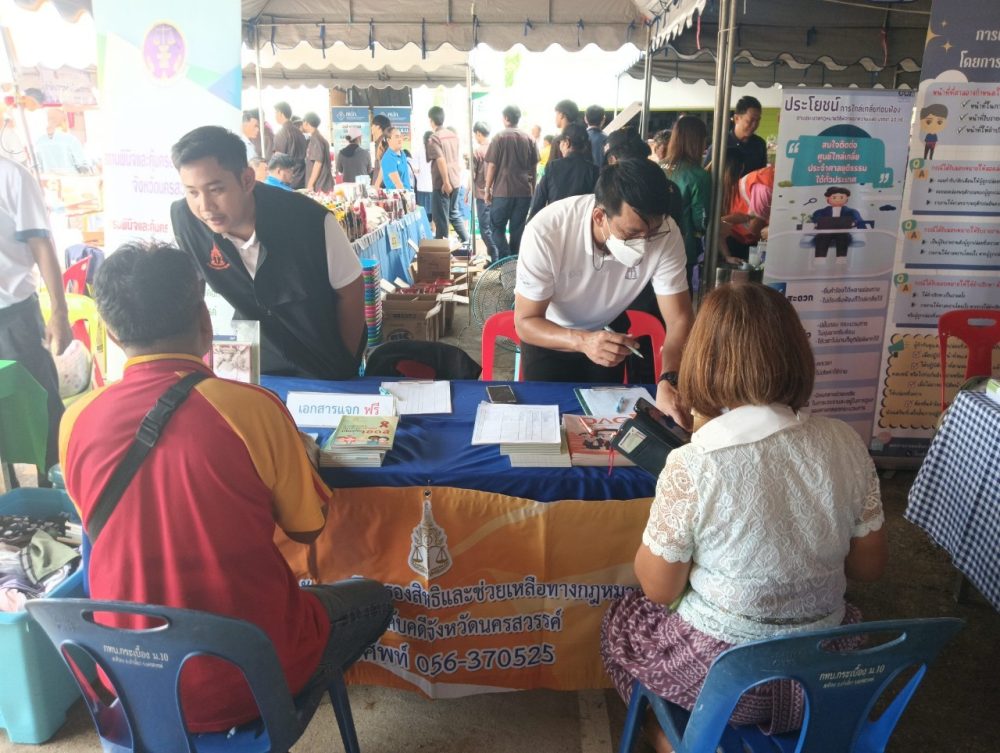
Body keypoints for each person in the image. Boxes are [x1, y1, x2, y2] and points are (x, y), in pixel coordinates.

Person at [59, 241, 392, 734]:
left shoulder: (75, 421)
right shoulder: (252, 410)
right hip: (250, 678)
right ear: (204, 319)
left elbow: (100, 524)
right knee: (373, 599)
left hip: (127, 685)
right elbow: (307, 529)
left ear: (110, 332)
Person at [601, 282, 887, 751]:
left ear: (703, 362)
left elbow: (659, 588)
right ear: (798, 356)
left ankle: (674, 739)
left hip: (727, 679)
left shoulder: (694, 462)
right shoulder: (846, 442)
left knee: (623, 623)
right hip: (827, 672)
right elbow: (868, 567)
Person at [170, 125, 364, 381]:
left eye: (216, 190)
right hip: (255, 362)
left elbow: (351, 290)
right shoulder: (187, 222)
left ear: (247, 180)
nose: (205, 206)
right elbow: (191, 295)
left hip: (320, 358)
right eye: (192, 192)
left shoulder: (311, 222)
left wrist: (345, 362)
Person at [514, 158, 694, 427]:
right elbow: (525, 322)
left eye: (652, 233)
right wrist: (583, 341)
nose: (644, 244)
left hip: (609, 332)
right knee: (548, 429)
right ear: (600, 217)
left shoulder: (666, 234)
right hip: (550, 335)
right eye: (632, 233)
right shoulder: (548, 232)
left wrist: (670, 378)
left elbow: (680, 318)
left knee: (605, 428)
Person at [0, 155, 72, 474]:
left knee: (40, 415)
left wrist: (59, 311)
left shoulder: (11, 176)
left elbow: (41, 244)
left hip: (14, 319)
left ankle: (56, 488)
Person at [662, 116, 711, 287]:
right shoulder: (698, 175)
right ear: (698, 141)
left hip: (655, 243)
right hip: (683, 244)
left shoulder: (657, 166)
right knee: (680, 291)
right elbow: (701, 218)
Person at [484, 104, 538, 258]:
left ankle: (506, 258)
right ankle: (514, 263)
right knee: (517, 230)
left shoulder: (499, 137)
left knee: (496, 227)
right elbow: (534, 168)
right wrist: (533, 189)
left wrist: (487, 189)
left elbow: (492, 166)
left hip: (502, 192)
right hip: (524, 193)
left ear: (506, 118)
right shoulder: (529, 138)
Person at [528, 122, 599, 221]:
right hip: (581, 225)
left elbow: (538, 201)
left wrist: (530, 222)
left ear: (567, 142)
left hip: (555, 223)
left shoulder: (552, 167)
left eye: (561, 142)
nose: (560, 145)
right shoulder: (594, 170)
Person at [426, 106, 469, 244]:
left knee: (441, 219)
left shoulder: (434, 138)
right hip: (455, 179)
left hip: (442, 183)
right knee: (453, 213)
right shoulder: (453, 135)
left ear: (431, 120)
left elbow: (440, 159)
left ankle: (442, 249)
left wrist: (445, 182)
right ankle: (466, 240)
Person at [712, 95, 767, 176]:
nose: (754, 125)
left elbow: (762, 175)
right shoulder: (720, 144)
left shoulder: (760, 144)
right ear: (736, 118)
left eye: (757, 120)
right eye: (750, 120)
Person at [810, 185, 866, 265]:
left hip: (843, 233)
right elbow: (814, 220)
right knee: (822, 236)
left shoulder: (852, 211)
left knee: (843, 236)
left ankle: (841, 258)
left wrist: (854, 223)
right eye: (834, 197)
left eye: (841, 197)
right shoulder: (820, 212)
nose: (838, 200)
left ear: (847, 199)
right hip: (825, 233)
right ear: (828, 199)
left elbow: (859, 221)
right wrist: (816, 223)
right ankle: (820, 259)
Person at [471, 122, 498, 261]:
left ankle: (495, 256)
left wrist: (468, 191)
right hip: (497, 194)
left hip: (482, 194)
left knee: (484, 228)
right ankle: (496, 256)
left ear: (478, 133)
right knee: (494, 227)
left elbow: (473, 174)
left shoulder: (477, 151)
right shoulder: (496, 148)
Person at [33, 108, 90, 174]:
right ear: (63, 119)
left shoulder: (39, 142)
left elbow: (37, 167)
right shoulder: (70, 139)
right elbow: (82, 166)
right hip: (71, 178)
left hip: (49, 179)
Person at [272, 101, 307, 188]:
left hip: (287, 179)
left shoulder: (281, 134)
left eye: (275, 113)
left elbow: (279, 160)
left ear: (280, 113)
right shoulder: (300, 133)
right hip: (302, 176)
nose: (275, 116)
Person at [302, 111, 335, 193]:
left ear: (306, 123)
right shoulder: (319, 138)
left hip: (320, 185)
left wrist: (310, 184)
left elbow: (318, 163)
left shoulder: (315, 140)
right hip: (324, 183)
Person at [412, 130, 435, 228]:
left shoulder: (418, 152)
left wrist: (419, 177)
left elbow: (415, 170)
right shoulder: (435, 151)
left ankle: (424, 232)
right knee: (434, 214)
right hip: (433, 187)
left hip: (422, 187)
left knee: (422, 214)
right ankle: (434, 231)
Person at [370, 113, 391, 187]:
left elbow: (384, 167)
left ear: (378, 127)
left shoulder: (383, 143)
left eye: (372, 125)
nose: (371, 128)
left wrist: (377, 185)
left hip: (382, 187)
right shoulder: (381, 141)